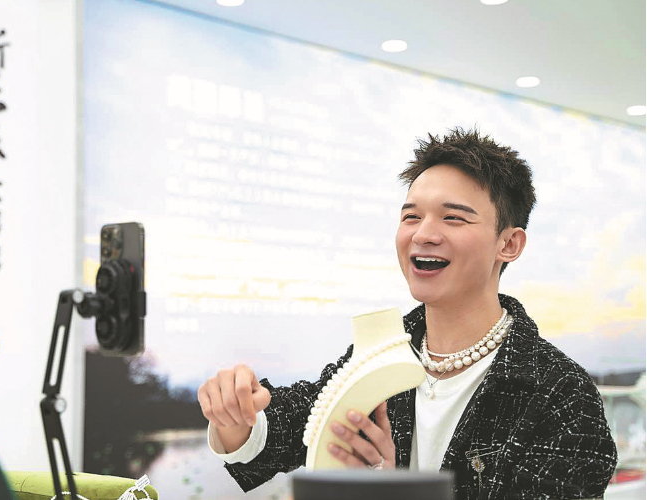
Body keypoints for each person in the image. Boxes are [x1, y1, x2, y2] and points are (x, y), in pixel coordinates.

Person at [197, 128, 618, 499]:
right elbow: (297, 423)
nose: (423, 234)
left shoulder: (562, 394)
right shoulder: (383, 350)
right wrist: (236, 413)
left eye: (453, 218)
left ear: (508, 244)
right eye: (411, 216)